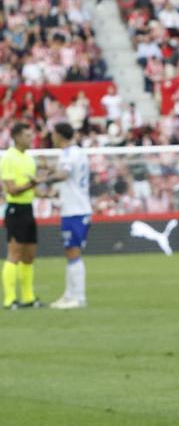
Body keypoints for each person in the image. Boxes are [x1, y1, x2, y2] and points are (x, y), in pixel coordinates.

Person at [2, 121, 50, 309]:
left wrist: (44, 193)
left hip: (28, 208)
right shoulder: (8, 158)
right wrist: (34, 184)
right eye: (27, 136)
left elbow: (31, 187)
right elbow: (12, 189)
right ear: (17, 137)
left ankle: (29, 297)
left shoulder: (29, 159)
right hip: (15, 210)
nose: (31, 139)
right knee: (14, 253)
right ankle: (10, 299)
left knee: (29, 255)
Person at [45, 122, 92, 308]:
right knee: (70, 251)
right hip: (77, 208)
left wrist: (43, 179)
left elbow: (64, 175)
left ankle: (78, 297)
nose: (52, 138)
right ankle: (69, 294)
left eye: (53, 134)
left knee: (73, 251)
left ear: (59, 135)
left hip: (75, 210)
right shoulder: (79, 152)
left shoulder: (68, 154)